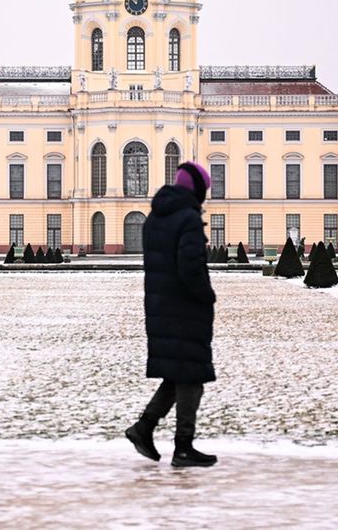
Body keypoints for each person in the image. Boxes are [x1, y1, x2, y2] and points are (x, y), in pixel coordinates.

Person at [125, 161, 218, 467]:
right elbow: (190, 267)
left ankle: (144, 428)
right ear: (196, 189)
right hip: (184, 309)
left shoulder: (155, 218)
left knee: (178, 373)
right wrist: (207, 297)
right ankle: (183, 447)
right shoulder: (188, 218)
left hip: (161, 307)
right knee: (192, 376)